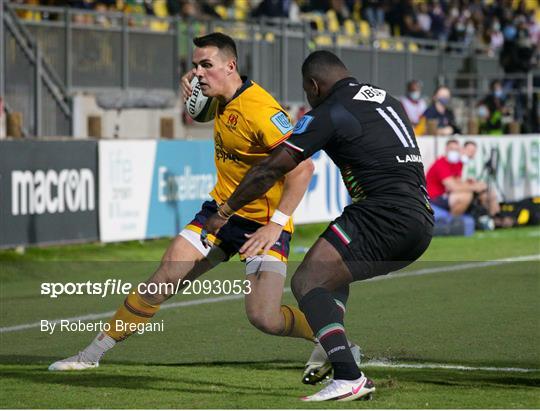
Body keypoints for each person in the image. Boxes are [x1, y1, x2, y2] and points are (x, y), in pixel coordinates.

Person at [48, 33, 358, 378]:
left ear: (231, 65)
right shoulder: (220, 96)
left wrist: (276, 224)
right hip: (219, 215)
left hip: (263, 226)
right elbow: (201, 116)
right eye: (194, 65)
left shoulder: (261, 110)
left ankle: (332, 340)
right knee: (163, 277)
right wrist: (194, 94)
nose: (198, 72)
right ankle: (90, 354)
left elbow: (303, 168)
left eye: (206, 65)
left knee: (264, 317)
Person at [202, 50, 434, 401]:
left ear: (314, 85)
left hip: (383, 215)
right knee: (331, 274)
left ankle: (348, 376)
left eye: (307, 91)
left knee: (307, 280)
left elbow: (272, 168)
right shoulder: (387, 99)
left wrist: (225, 210)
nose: (309, 97)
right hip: (420, 220)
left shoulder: (330, 112)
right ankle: (331, 349)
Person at [426, 139, 491, 217]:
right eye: (452, 149)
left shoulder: (457, 163)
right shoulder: (440, 164)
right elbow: (453, 187)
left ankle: (492, 219)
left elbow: (457, 182)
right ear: (446, 149)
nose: (454, 151)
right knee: (465, 196)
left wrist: (470, 183)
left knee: (488, 193)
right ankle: (451, 222)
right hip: (434, 197)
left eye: (456, 149)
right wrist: (474, 187)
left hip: (447, 194)